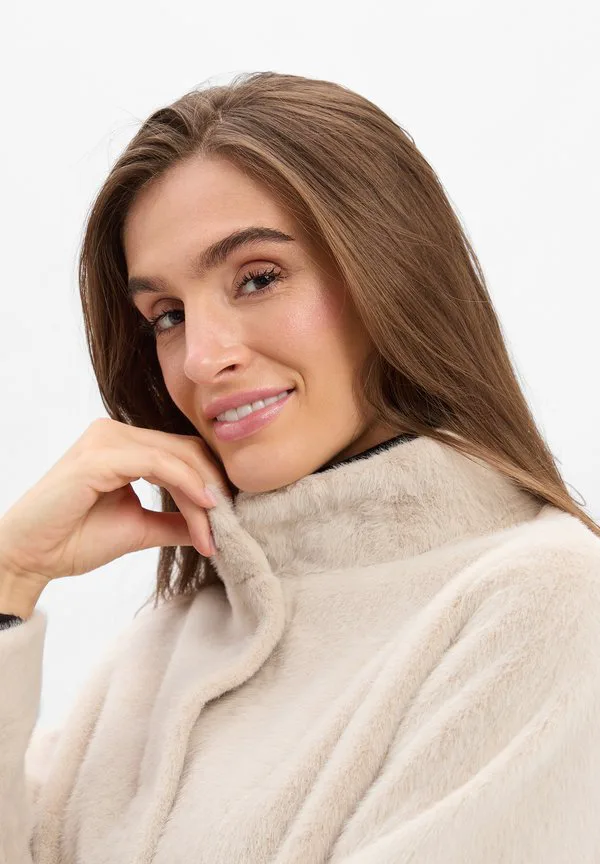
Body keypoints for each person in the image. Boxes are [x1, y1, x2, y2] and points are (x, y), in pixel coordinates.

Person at [1, 71, 599, 864]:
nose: (201, 358)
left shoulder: (546, 603)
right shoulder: (163, 650)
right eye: (167, 316)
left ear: (390, 271)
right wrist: (10, 577)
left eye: (257, 279)